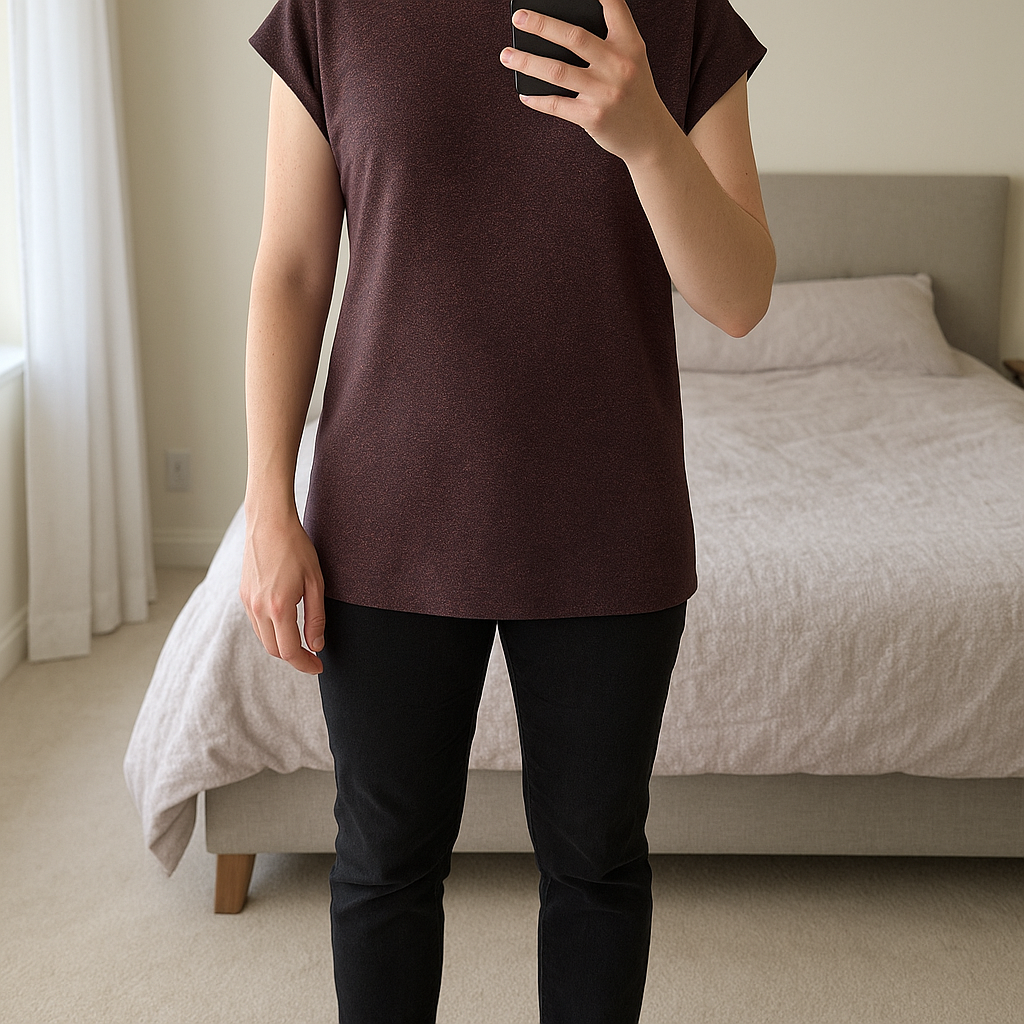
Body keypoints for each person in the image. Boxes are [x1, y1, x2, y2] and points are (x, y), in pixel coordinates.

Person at [240, 0, 775, 1020]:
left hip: (608, 520)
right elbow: (293, 266)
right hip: (382, 514)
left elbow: (740, 295)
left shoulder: (678, 13)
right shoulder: (332, 10)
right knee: (384, 862)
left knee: (596, 862)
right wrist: (268, 498)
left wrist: (647, 135)